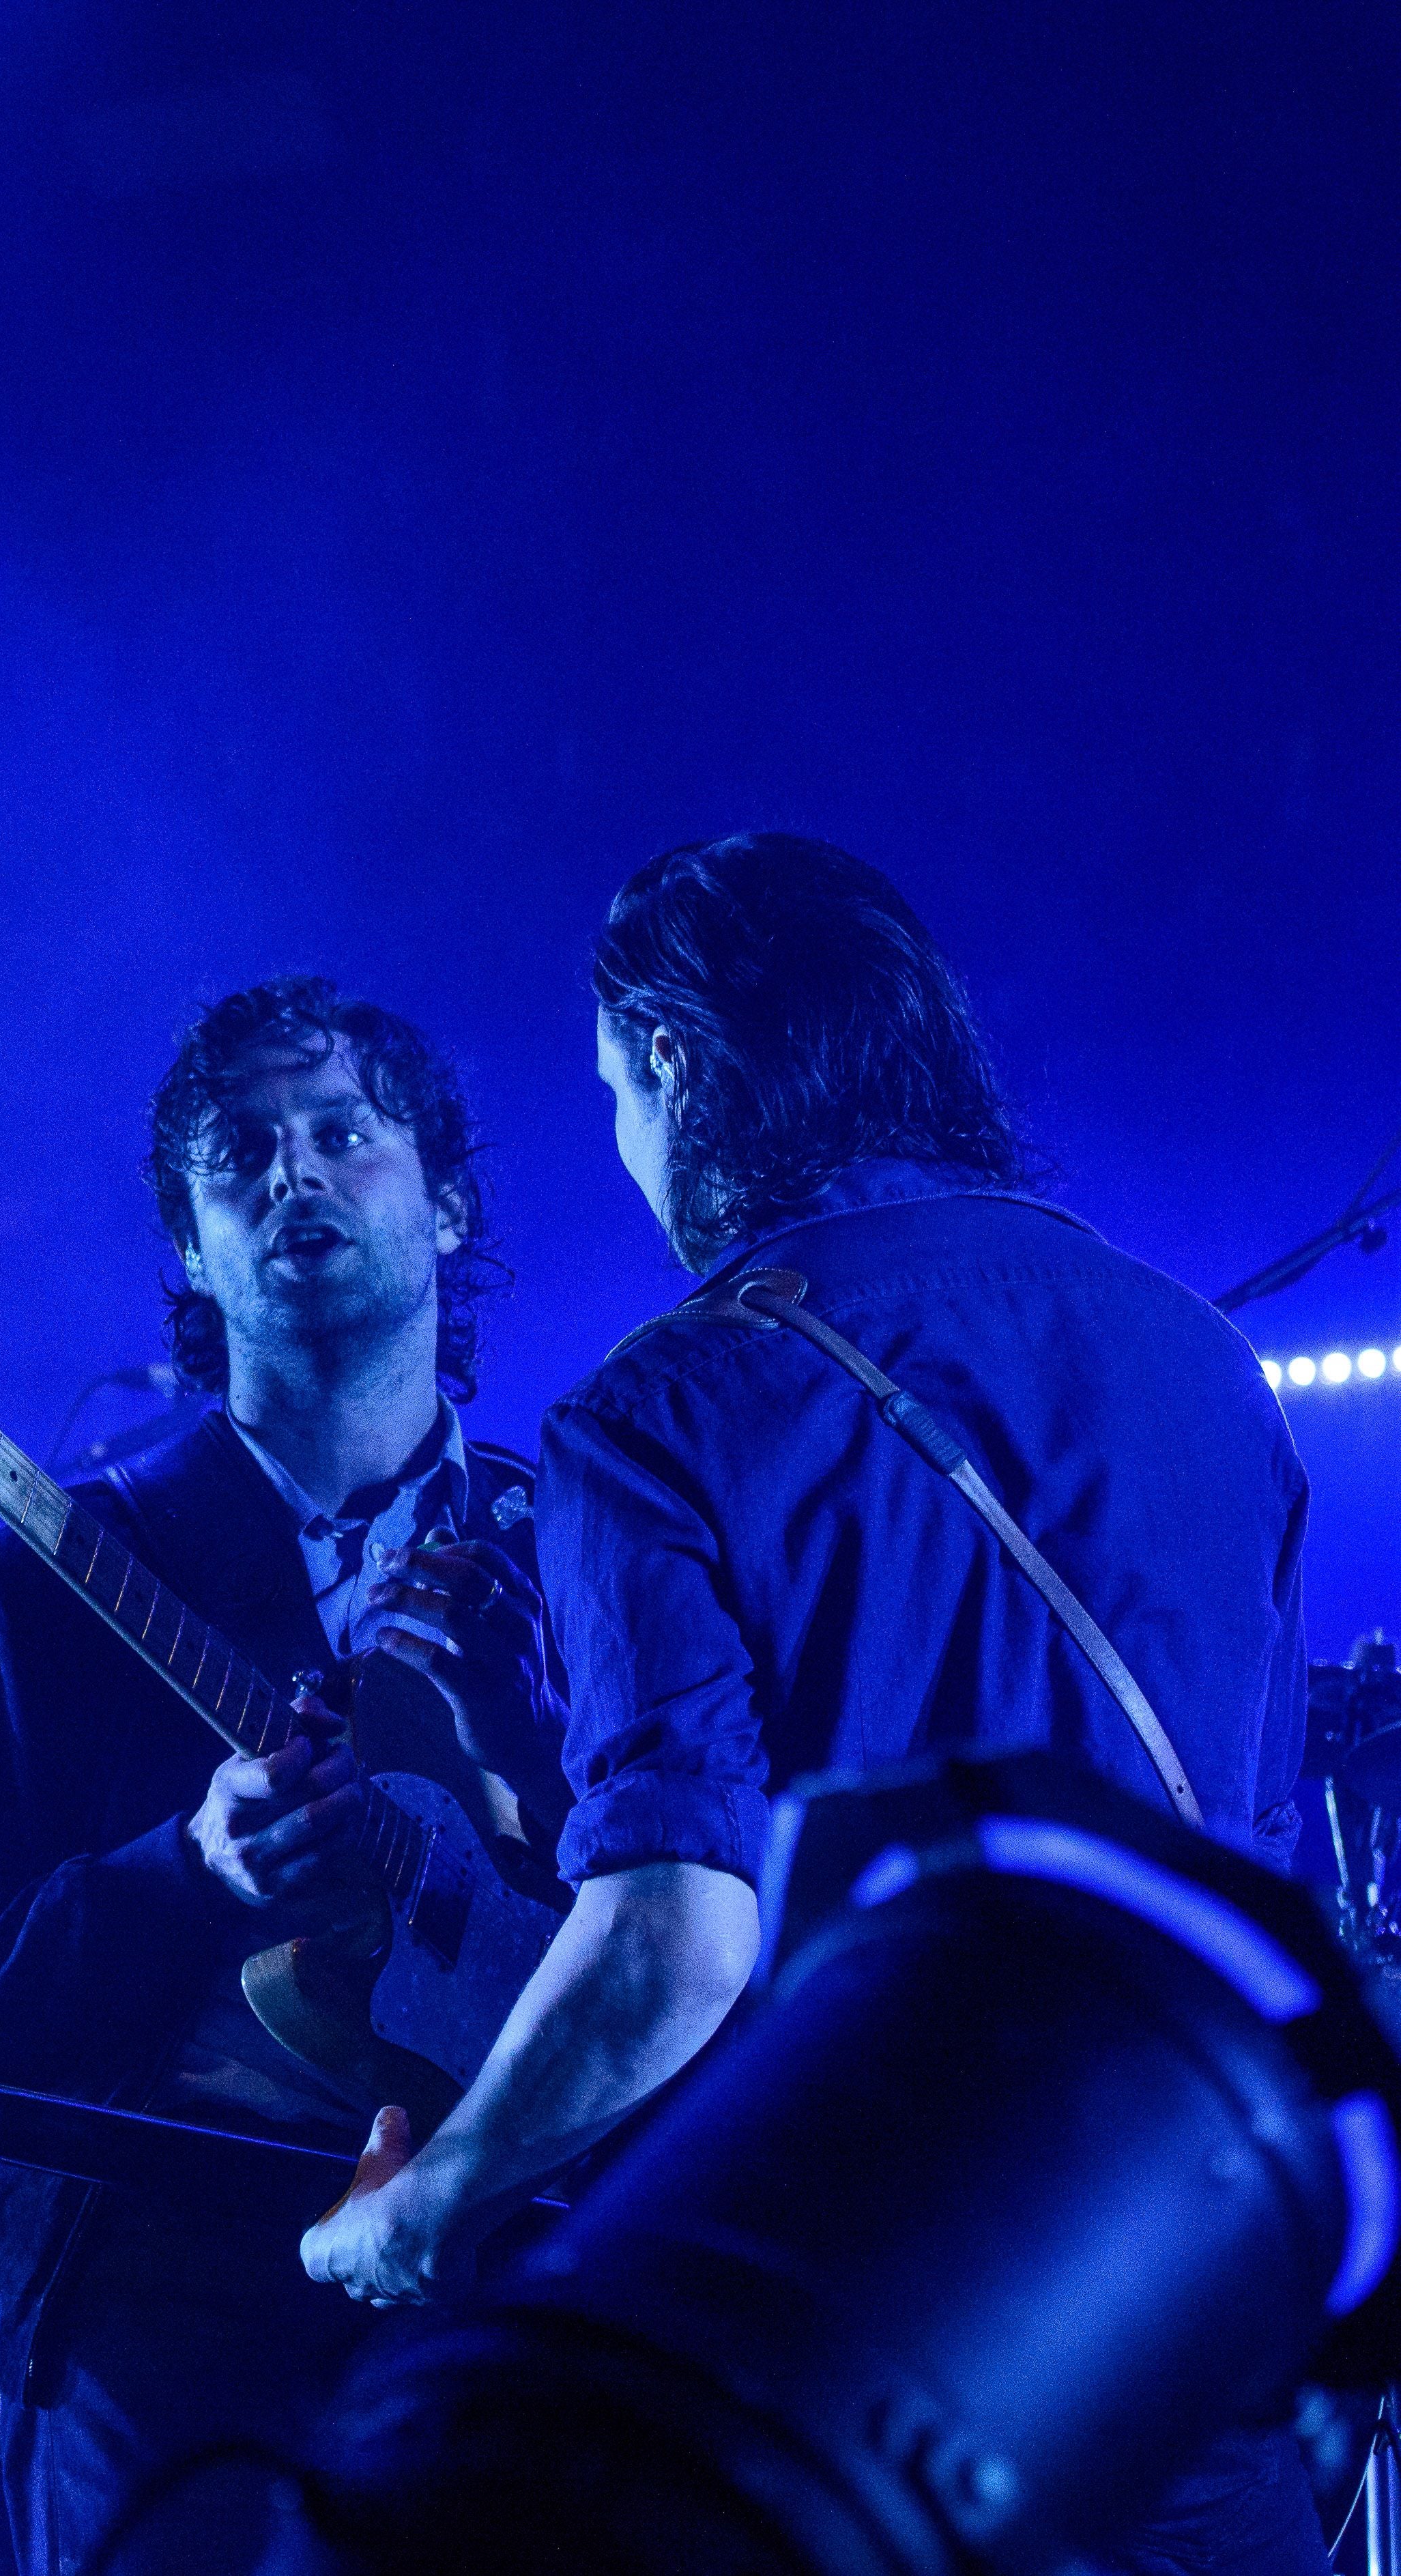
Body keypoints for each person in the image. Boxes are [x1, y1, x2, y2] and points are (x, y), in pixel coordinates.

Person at [301, 833, 1316, 2574]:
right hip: (1185, 2334)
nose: (624, 1145)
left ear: (680, 1062)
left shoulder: (654, 1416)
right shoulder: (1201, 1363)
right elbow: (1259, 1898)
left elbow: (671, 1950)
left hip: (877, 2374)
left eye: (618, 1086)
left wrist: (439, 2198)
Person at [0, 976, 566, 2576]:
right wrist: (178, 1876)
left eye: (343, 1135)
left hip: (523, 2308)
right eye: (239, 1154)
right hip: (161, 2335)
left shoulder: (579, 1557)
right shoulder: (51, 1584)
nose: (292, 1174)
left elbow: (707, 1935)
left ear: (444, 1198)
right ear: (188, 1247)